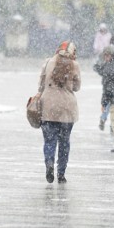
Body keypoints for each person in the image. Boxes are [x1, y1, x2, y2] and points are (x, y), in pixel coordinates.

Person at [38, 41, 81, 183]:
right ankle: (61, 174)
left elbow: (41, 84)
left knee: (49, 140)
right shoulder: (74, 65)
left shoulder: (48, 62)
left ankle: (49, 164)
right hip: (67, 110)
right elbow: (76, 87)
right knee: (64, 142)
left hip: (48, 107)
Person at [94, 34, 114, 132]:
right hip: (113, 88)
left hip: (107, 87)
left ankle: (103, 118)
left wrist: (98, 67)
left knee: (107, 104)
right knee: (113, 106)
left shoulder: (106, 55)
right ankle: (111, 125)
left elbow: (100, 69)